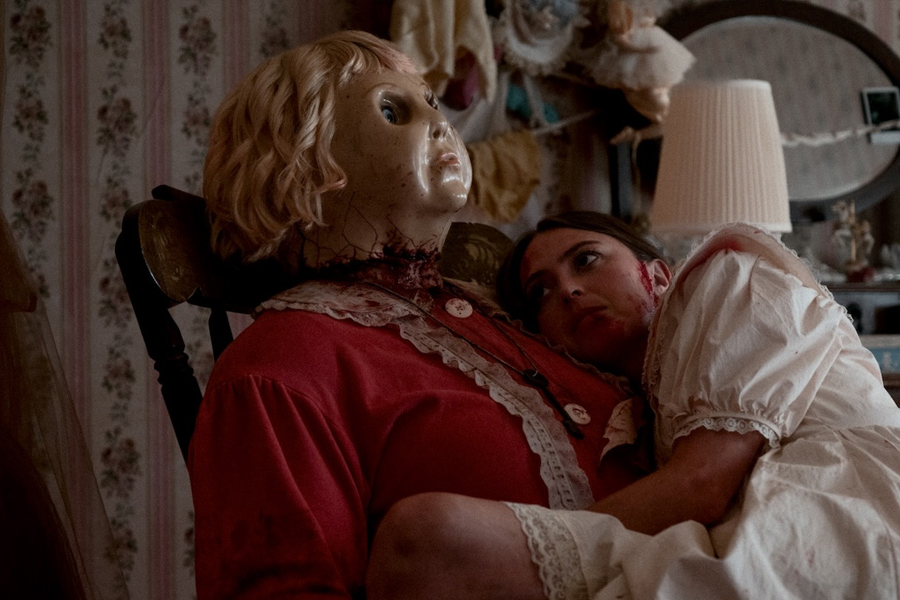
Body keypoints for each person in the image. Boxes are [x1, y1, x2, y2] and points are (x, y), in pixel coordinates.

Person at [189, 32, 647, 599]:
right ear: (305, 161)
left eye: (432, 103)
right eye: (392, 111)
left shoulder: (501, 317)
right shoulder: (281, 367)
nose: (439, 123)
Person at [366, 213, 900, 600]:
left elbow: (702, 483)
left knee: (426, 539)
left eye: (586, 260)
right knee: (421, 541)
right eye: (541, 292)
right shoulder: (638, 405)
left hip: (863, 504)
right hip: (750, 514)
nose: (569, 289)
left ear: (657, 275)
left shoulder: (727, 279)